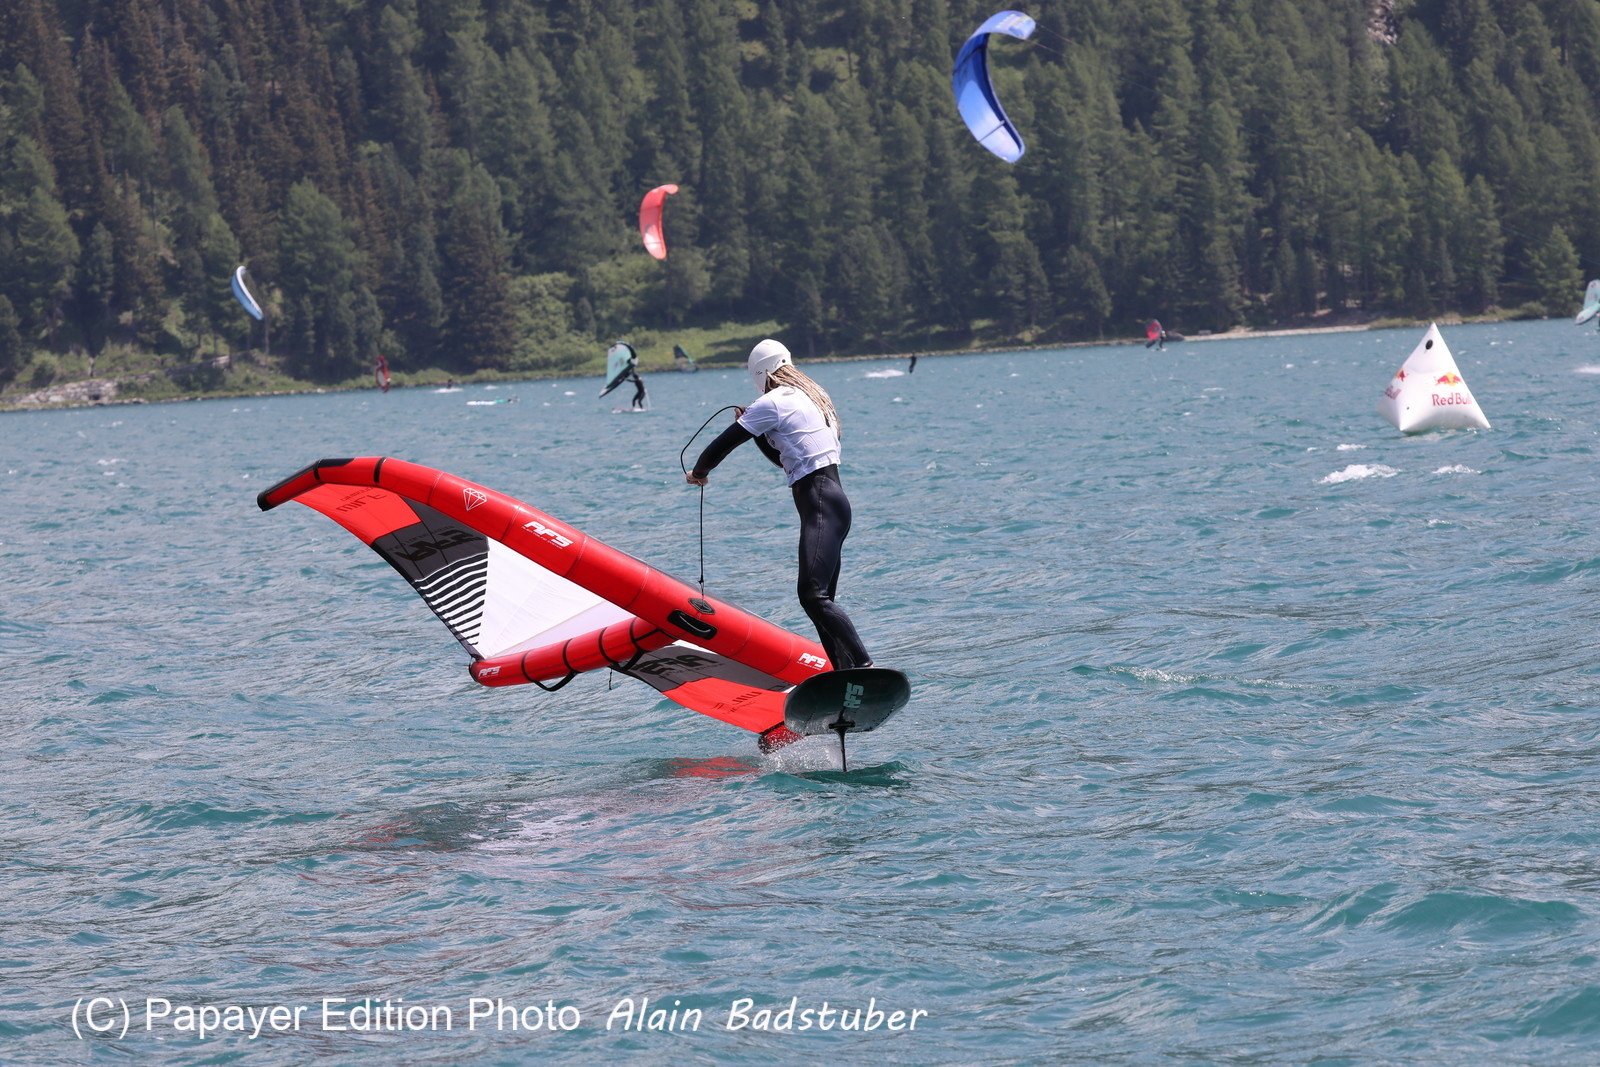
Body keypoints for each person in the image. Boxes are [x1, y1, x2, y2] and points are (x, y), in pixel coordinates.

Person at [687, 339, 873, 678]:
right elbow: (785, 460)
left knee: (813, 596)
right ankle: (842, 673)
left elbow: (722, 445)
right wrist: (759, 433)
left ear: (759, 375)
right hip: (835, 503)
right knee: (820, 598)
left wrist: (699, 473)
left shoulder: (770, 402)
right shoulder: (809, 398)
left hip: (819, 502)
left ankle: (863, 665)